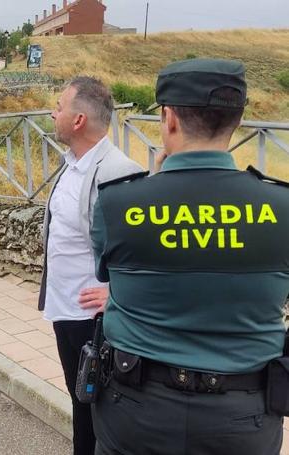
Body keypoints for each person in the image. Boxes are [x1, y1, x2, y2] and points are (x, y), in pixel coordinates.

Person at [91, 58, 289, 454]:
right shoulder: (282, 207)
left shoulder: (117, 203)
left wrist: (159, 184)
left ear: (169, 119)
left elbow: (111, 277)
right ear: (237, 121)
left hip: (136, 409)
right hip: (244, 414)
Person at [37, 77, 142, 455]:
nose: (53, 112)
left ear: (78, 120)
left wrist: (117, 291)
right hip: (66, 309)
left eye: (60, 106)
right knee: (80, 401)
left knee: (97, 409)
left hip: (94, 319)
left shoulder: (119, 171)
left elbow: (143, 248)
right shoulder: (73, 164)